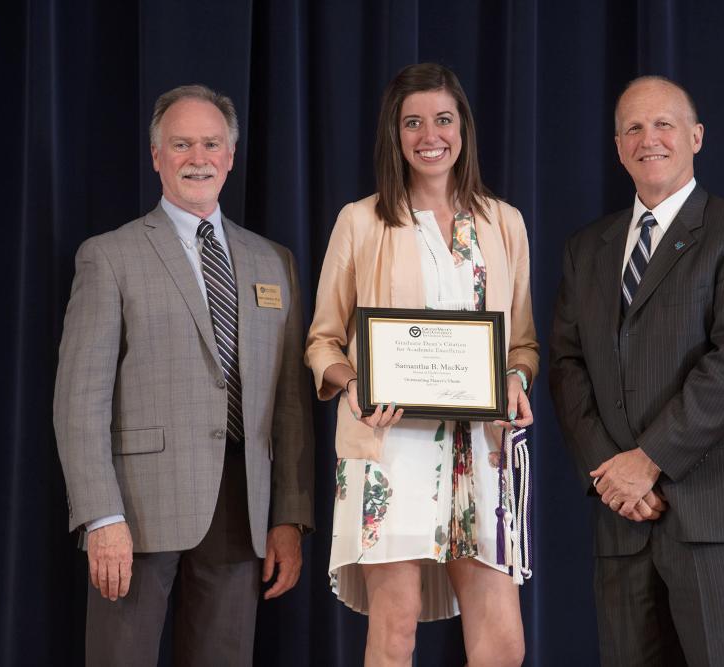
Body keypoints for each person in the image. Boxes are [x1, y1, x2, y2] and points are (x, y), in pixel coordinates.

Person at [53, 84, 314, 666]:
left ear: (231, 156)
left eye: (211, 144)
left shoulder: (274, 261)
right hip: (137, 511)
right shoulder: (109, 256)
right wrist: (101, 516)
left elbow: (291, 405)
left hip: (242, 509)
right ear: (156, 156)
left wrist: (289, 517)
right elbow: (79, 402)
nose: (198, 157)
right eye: (181, 144)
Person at [305, 62, 538, 667]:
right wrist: (353, 383)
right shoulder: (361, 221)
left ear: (463, 129)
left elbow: (523, 346)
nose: (429, 135)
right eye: (412, 122)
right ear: (394, 133)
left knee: (503, 641)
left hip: (481, 449)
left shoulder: (504, 223)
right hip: (390, 447)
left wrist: (515, 380)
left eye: (443, 119)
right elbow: (322, 341)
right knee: (396, 629)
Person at [549, 75, 724, 666]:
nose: (647, 138)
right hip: (621, 518)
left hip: (711, 514)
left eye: (663, 124)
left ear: (696, 137)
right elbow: (567, 366)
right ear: (618, 147)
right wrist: (612, 475)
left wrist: (648, 462)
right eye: (633, 128)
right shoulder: (586, 249)